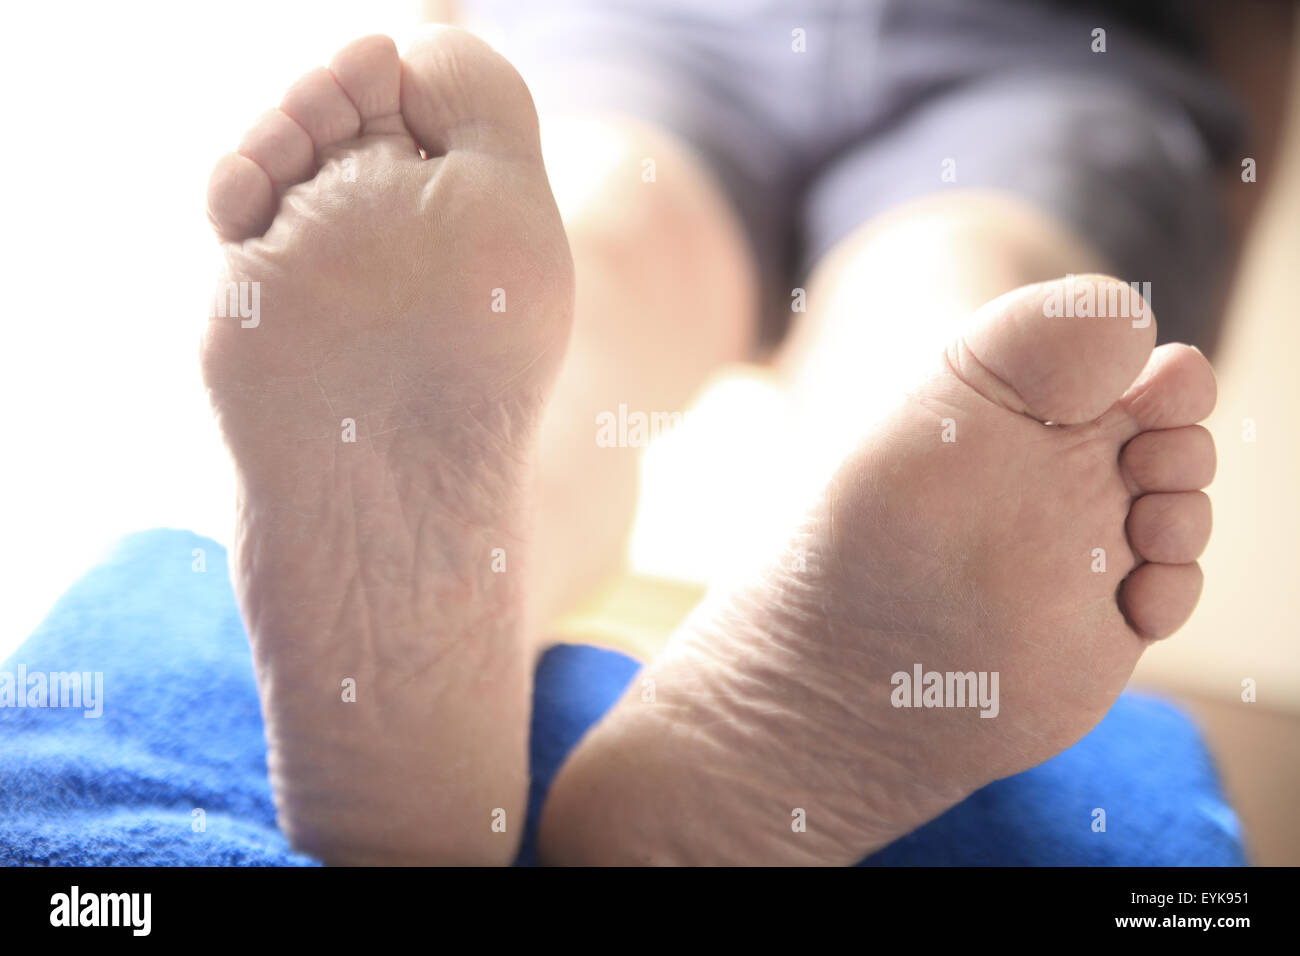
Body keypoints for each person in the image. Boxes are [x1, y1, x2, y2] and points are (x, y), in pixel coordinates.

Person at [201, 0, 1290, 865]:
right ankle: (452, 673)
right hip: (819, 34)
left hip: (1046, 51)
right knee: (938, 297)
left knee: (621, 258)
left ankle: (514, 604)